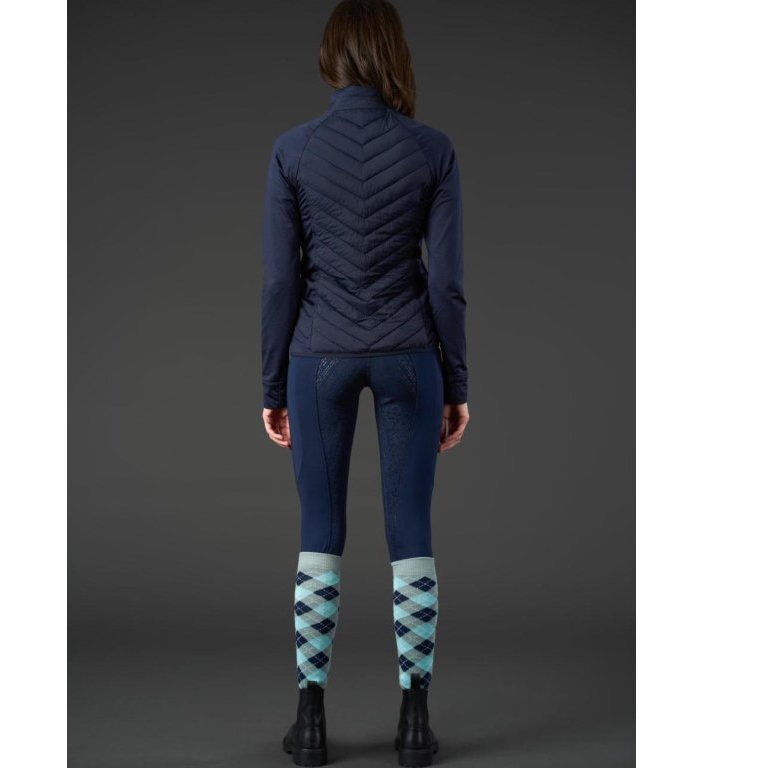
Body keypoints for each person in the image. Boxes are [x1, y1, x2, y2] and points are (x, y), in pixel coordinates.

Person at [260, 1, 469, 765]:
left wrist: (272, 386)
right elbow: (445, 284)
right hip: (411, 354)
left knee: (320, 529)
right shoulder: (433, 150)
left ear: (332, 58)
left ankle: (310, 722)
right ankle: (414, 724)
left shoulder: (293, 151)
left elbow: (280, 282)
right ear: (393, 57)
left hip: (318, 356)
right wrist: (456, 381)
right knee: (410, 530)